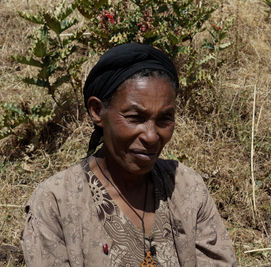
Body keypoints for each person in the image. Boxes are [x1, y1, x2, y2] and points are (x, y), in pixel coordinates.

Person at [21, 43, 237, 266]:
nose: (151, 136)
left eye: (164, 119)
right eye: (134, 118)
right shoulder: (56, 202)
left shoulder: (186, 187)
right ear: (97, 111)